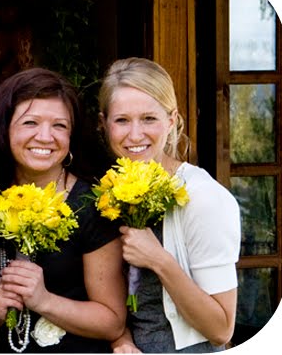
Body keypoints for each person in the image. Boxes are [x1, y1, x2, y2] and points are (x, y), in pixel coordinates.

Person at [0, 68, 126, 353]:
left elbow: (113, 322)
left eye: (59, 126)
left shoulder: (92, 206)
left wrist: (44, 301)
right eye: (30, 122)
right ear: (4, 128)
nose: (45, 137)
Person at [98, 58, 239, 353]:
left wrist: (159, 260)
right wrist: (121, 338)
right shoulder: (108, 192)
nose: (135, 135)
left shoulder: (203, 197)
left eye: (149, 118)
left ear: (172, 120)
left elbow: (221, 329)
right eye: (122, 120)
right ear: (104, 123)